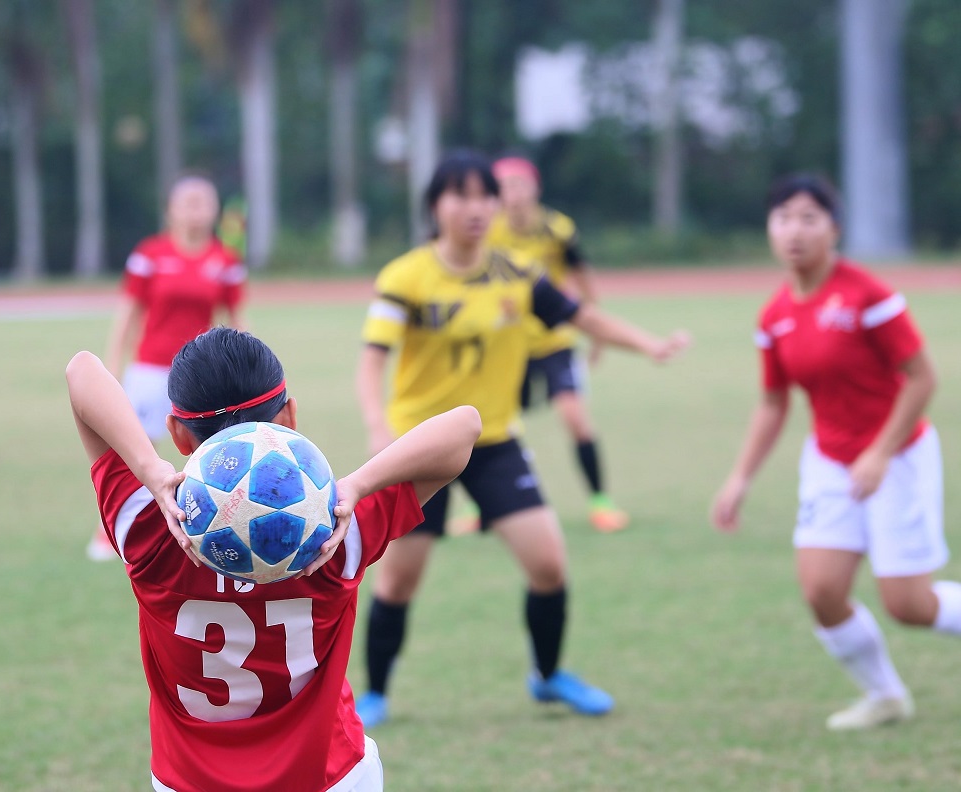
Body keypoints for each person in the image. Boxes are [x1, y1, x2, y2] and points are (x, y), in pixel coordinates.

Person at [354, 150, 689, 729]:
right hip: (420, 447)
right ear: (435, 206)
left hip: (495, 442)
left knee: (549, 565)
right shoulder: (405, 277)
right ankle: (375, 694)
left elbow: (584, 319)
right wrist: (378, 427)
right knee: (399, 579)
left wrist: (650, 344)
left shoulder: (518, 274)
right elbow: (370, 363)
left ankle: (548, 676)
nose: (477, 206)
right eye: (460, 195)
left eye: (485, 194)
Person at [67, 327, 481, 792]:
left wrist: (152, 470)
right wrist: (358, 485)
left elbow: (82, 370)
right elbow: (465, 426)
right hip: (332, 777)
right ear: (289, 416)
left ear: (178, 434)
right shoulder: (339, 533)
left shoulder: (147, 528)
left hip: (189, 782)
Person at [710, 173, 961, 730]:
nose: (794, 231)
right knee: (822, 592)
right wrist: (740, 478)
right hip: (829, 462)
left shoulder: (868, 295)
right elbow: (773, 404)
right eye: (782, 218)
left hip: (897, 457)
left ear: (834, 228)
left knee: (909, 607)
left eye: (808, 217)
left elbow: (922, 379)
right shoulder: (774, 315)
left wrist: (878, 453)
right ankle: (886, 696)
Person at [86, 175, 247, 561]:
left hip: (201, 374)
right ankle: (109, 533)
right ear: (170, 209)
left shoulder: (225, 261)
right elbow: (128, 313)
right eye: (187, 201)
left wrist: (245, 369)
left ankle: (211, 529)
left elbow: (236, 320)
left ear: (215, 210)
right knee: (132, 454)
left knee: (211, 455)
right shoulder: (150, 254)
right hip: (150, 370)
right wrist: (113, 362)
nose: (196, 209)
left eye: (203, 201)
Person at [478, 155, 627, 533]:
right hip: (508, 345)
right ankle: (479, 511)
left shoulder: (558, 229)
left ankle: (600, 502)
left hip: (555, 340)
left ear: (535, 188)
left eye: (519, 184)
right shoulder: (487, 231)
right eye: (503, 186)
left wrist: (595, 328)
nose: (512, 194)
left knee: (575, 418)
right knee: (487, 424)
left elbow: (581, 275)